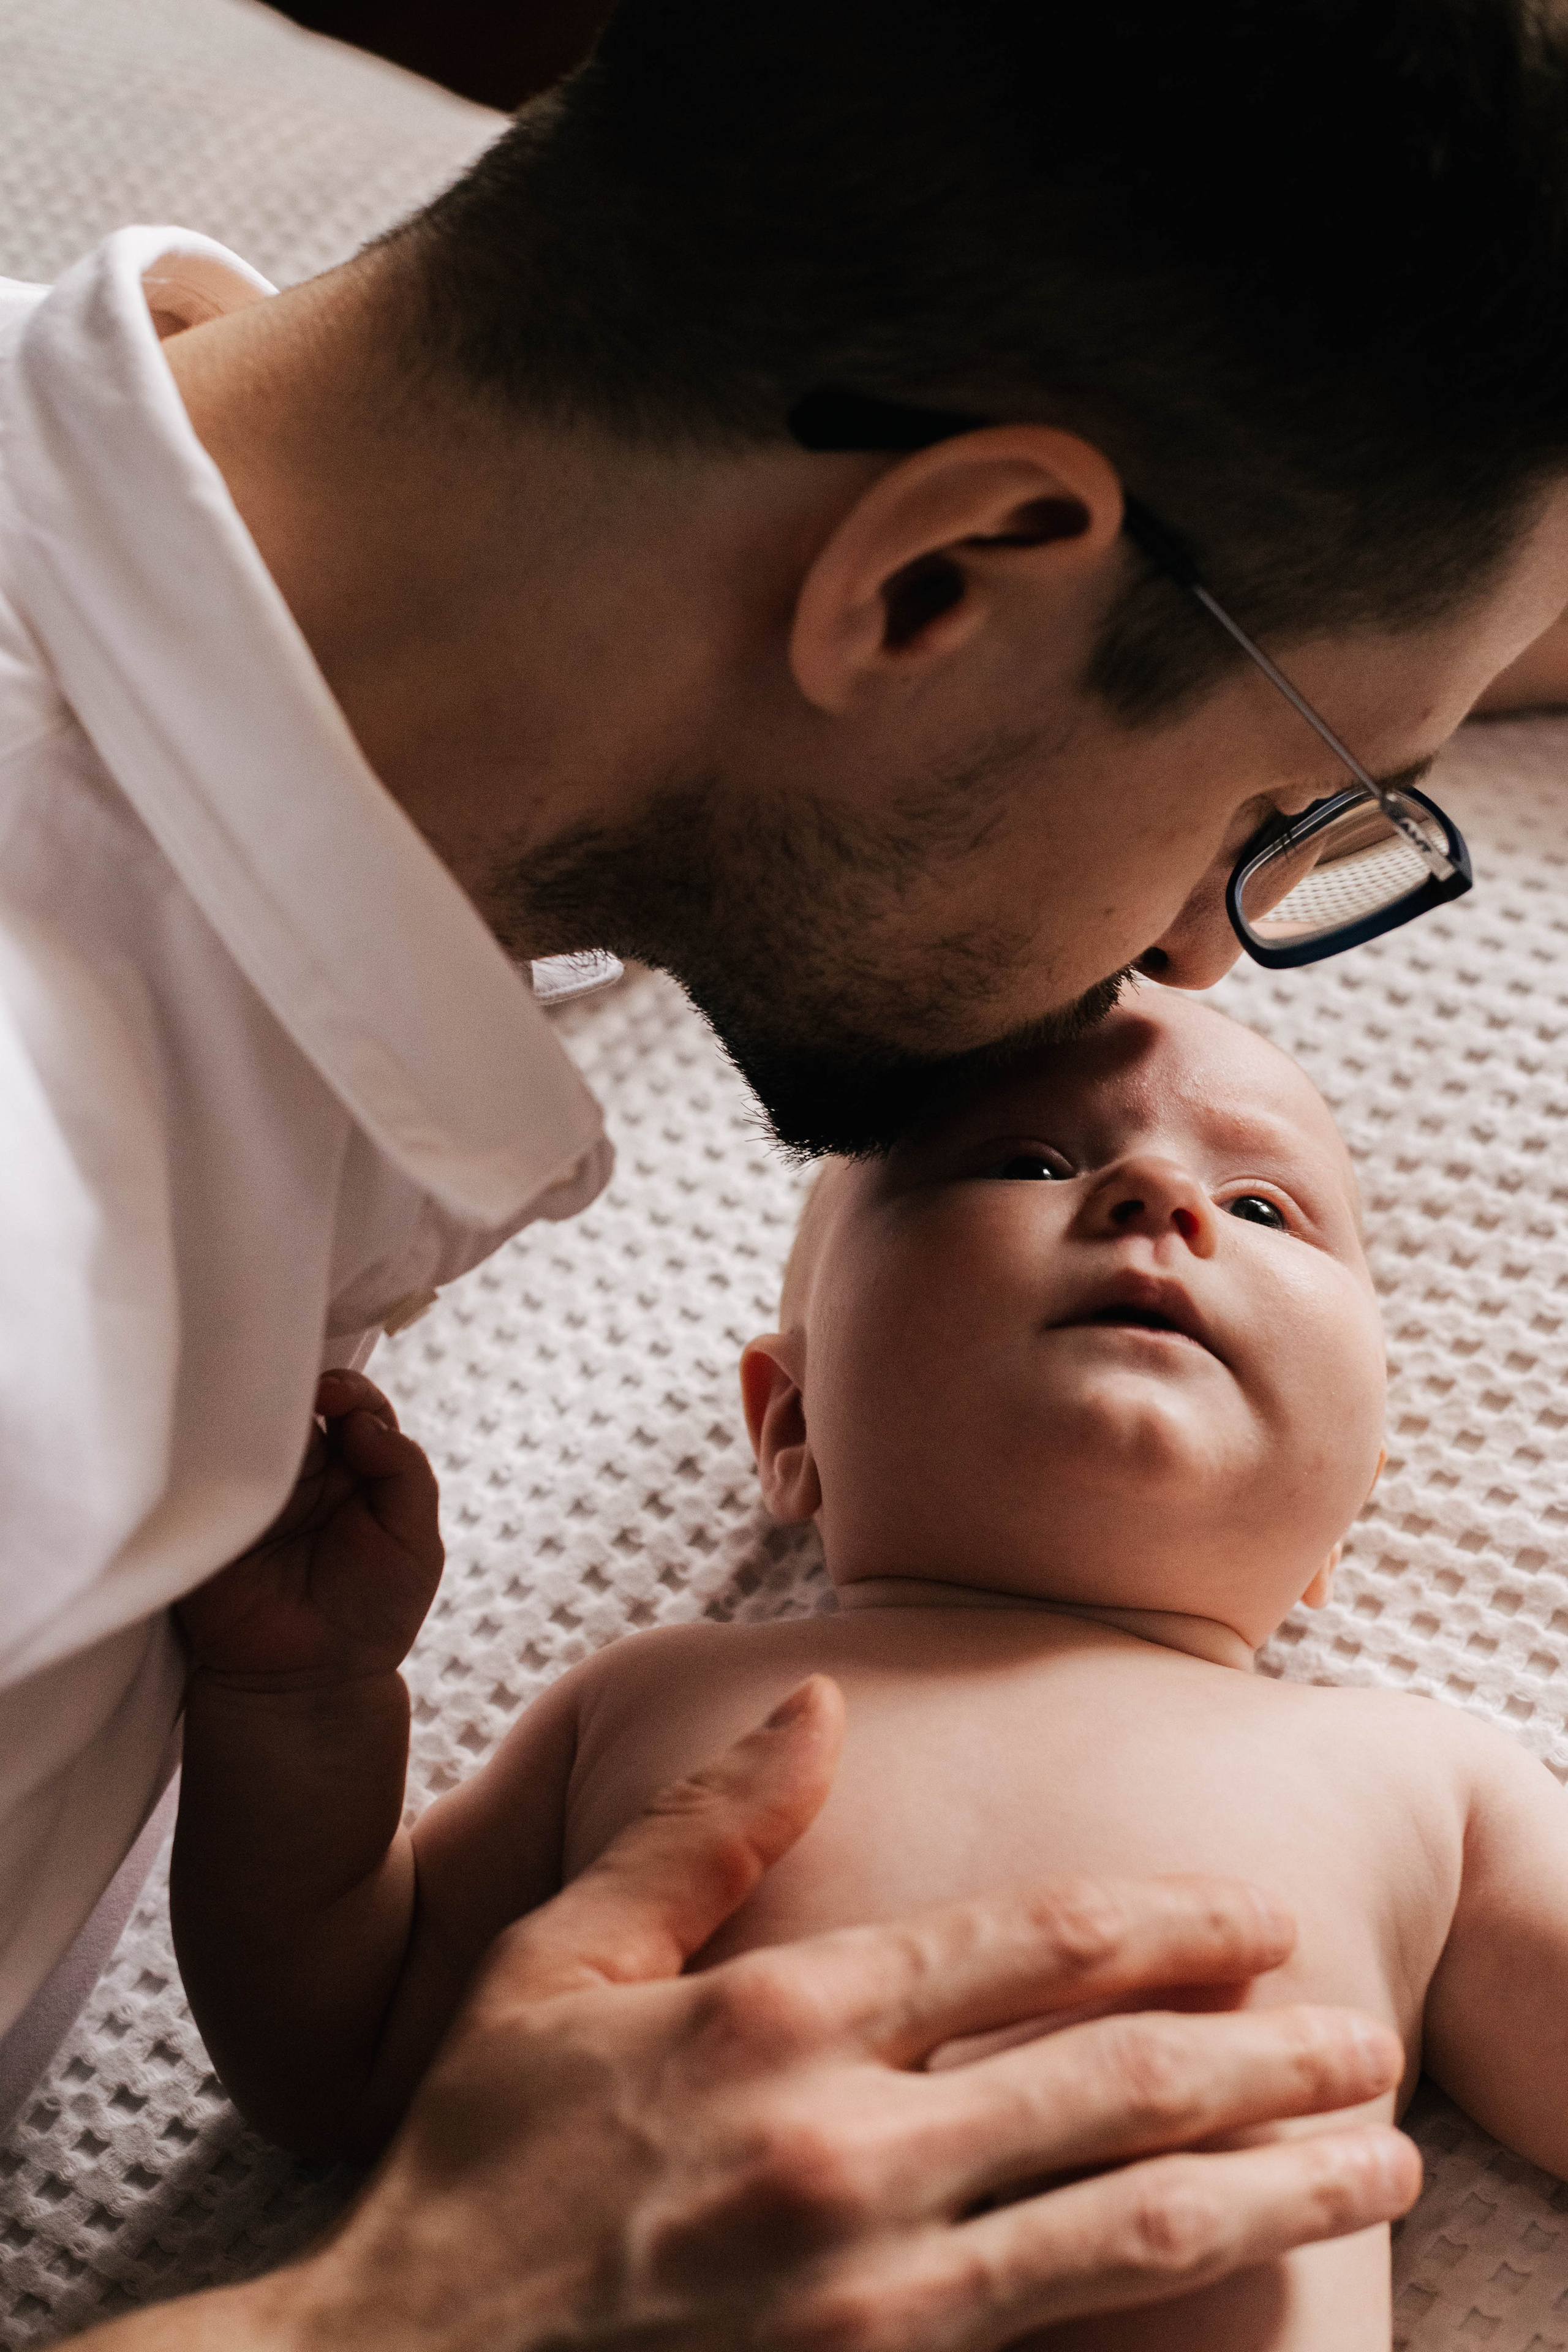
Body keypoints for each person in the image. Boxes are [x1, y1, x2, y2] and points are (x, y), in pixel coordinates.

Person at [9, 0, 1568, 2334]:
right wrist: (403, 2309)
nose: (1185, 962)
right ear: (936, 587)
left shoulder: (499, 717)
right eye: (1274, 817)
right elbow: (338, 2034)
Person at [169, 990, 1568, 2348]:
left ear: (1346, 1513)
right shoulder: (656, 1700)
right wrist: (297, 1707)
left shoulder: (1421, 1775)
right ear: (790, 1424)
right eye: (1023, 1160)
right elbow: (331, 2054)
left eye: (1264, 1208)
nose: (1157, 1194)